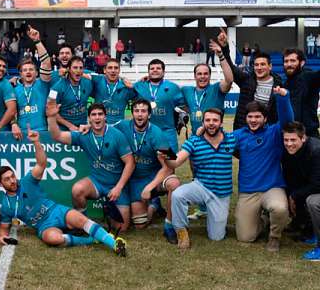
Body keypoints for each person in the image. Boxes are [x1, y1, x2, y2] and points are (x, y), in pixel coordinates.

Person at [0, 125, 127, 255]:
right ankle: (91, 241)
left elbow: (41, 163)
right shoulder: (6, 205)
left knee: (82, 221)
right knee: (53, 239)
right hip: (44, 225)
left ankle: (113, 243)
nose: (12, 180)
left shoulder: (27, 181)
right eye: (7, 179)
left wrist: (36, 142)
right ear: (0, 184)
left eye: (12, 176)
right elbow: (3, 229)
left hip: (56, 211)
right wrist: (0, 236)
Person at [48, 101, 135, 231]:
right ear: (89, 118)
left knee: (121, 228)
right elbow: (57, 136)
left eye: (100, 114)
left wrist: (118, 187)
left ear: (105, 117)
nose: (97, 117)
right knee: (77, 189)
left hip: (116, 185)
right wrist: (51, 117)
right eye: (93, 115)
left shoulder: (117, 135)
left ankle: (109, 210)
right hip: (97, 182)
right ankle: (82, 223)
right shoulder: (84, 134)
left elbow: (130, 163)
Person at [230, 87, 293, 252]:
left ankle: (274, 237)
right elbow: (219, 142)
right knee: (245, 237)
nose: (253, 120)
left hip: (272, 187)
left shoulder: (274, 132)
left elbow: (287, 120)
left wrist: (283, 98)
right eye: (250, 116)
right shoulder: (238, 134)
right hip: (248, 190)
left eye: (258, 116)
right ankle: (264, 220)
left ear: (265, 119)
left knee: (279, 208)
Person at [165, 108, 237, 249]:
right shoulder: (195, 141)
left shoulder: (231, 139)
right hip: (201, 186)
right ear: (203, 123)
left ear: (221, 123)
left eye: (215, 120)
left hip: (220, 194)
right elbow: (176, 161)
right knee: (178, 194)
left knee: (216, 237)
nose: (211, 123)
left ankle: (214, 217)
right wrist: (165, 154)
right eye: (208, 120)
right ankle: (181, 230)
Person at [112, 99, 179, 242]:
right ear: (132, 113)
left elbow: (170, 166)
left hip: (153, 177)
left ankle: (169, 225)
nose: (139, 114)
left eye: (143, 111)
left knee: (174, 183)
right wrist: (86, 127)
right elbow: (103, 128)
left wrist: (150, 187)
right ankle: (154, 206)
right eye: (136, 111)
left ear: (149, 115)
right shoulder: (123, 126)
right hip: (134, 179)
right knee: (140, 225)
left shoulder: (157, 133)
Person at [218, 29, 282, 131]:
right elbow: (230, 67)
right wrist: (224, 47)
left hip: (268, 133)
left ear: (270, 66)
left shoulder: (279, 84)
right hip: (245, 131)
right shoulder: (246, 80)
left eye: (262, 64)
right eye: (256, 65)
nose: (259, 67)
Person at [281, 122, 320, 260]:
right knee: (299, 193)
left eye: (293, 140)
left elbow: (316, 185)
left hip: (318, 186)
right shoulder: (288, 151)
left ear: (303, 138)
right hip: (313, 186)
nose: (289, 144)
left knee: (313, 201)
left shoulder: (316, 150)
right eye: (286, 140)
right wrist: (290, 194)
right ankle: (311, 232)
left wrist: (293, 196)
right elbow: (291, 176)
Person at [182, 38, 233, 134]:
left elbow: (229, 80)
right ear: (194, 76)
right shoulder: (186, 90)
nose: (202, 76)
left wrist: (221, 56)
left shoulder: (216, 88)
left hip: (215, 138)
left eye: (206, 74)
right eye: (199, 74)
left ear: (210, 75)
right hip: (195, 138)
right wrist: (149, 80)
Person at [132, 59, 185, 153]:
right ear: (148, 72)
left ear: (164, 72)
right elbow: (127, 87)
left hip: (167, 134)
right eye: (152, 68)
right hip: (146, 134)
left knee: (169, 164)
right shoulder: (140, 86)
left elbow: (185, 105)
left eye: (158, 68)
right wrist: (139, 81)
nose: (155, 70)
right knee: (147, 165)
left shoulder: (173, 87)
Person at [13, 26, 52, 136]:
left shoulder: (42, 84)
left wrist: (37, 41)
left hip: (42, 132)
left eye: (31, 69)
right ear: (20, 74)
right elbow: (12, 112)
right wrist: (14, 124)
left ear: (36, 73)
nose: (28, 72)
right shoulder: (15, 89)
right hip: (21, 134)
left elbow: (46, 63)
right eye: (25, 70)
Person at [282, 48, 320, 138]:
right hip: (290, 136)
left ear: (302, 63)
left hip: (309, 136)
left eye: (293, 61)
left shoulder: (309, 76)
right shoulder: (285, 83)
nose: (289, 64)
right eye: (286, 61)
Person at [49, 56, 93, 130]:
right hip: (64, 130)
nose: (78, 71)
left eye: (81, 68)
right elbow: (49, 110)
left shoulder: (88, 83)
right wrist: (70, 126)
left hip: (83, 128)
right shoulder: (56, 88)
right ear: (68, 69)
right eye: (75, 68)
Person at [85, 59, 134, 124]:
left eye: (116, 68)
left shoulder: (125, 86)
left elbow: (143, 96)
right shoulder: (98, 79)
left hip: (118, 127)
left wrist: (133, 87)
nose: (113, 70)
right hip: (99, 125)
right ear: (104, 70)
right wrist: (67, 69)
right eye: (110, 68)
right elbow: (80, 71)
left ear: (119, 70)